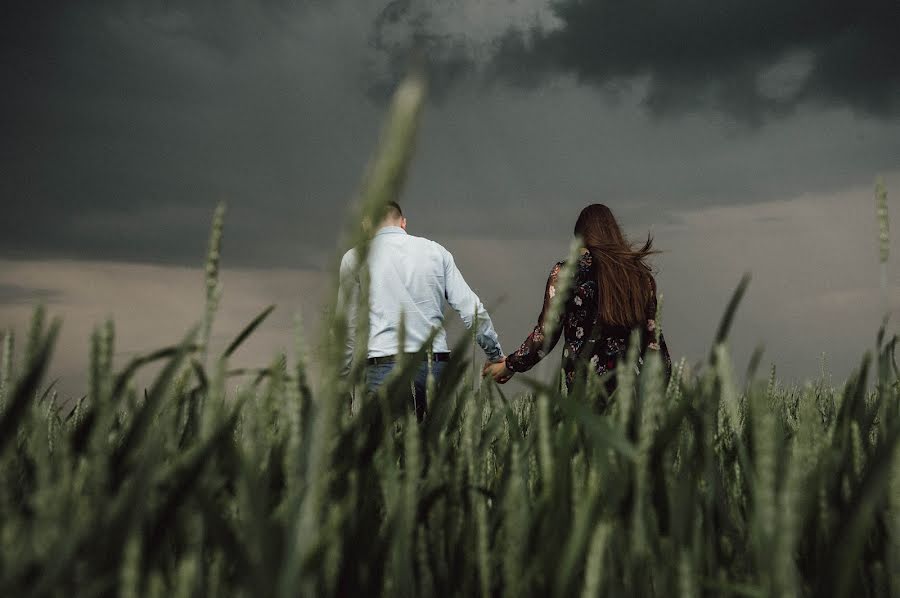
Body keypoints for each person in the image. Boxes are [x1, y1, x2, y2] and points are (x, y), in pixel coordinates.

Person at [483, 203, 671, 398]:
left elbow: (546, 335)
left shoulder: (566, 273)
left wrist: (510, 365)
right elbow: (655, 345)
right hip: (630, 395)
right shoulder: (639, 277)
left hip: (582, 395)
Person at [340, 201, 505, 421]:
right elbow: (471, 309)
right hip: (432, 366)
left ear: (366, 225)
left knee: (382, 451)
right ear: (404, 223)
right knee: (431, 450)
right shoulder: (437, 252)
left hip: (382, 366)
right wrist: (495, 355)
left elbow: (346, 327)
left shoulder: (354, 258)